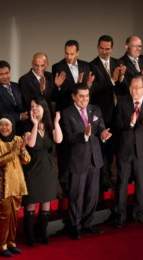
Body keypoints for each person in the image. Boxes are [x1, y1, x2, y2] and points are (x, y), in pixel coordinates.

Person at [60, 83, 112, 240]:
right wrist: (84, 135)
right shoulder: (66, 113)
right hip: (77, 159)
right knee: (76, 195)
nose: (85, 99)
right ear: (73, 96)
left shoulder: (95, 109)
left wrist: (103, 134)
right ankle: (75, 226)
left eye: (87, 95)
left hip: (94, 159)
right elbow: (68, 137)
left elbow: (101, 127)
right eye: (81, 96)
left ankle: (88, 223)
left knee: (92, 194)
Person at [114, 74, 143, 228]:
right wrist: (130, 123)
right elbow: (117, 123)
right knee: (122, 183)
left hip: (142, 149)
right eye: (131, 86)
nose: (133, 90)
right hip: (125, 148)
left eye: (137, 87)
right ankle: (120, 215)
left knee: (140, 183)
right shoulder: (122, 101)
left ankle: (139, 213)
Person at [52, 40, 94, 196]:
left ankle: (84, 181)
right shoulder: (58, 67)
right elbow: (57, 96)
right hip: (66, 113)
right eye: (66, 53)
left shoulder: (85, 65)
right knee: (64, 150)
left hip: (83, 113)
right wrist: (63, 86)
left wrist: (87, 86)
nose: (68, 57)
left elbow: (87, 92)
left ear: (78, 53)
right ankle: (64, 185)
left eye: (71, 53)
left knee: (82, 145)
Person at [22, 96, 62, 246]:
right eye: (32, 106)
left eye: (36, 106)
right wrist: (34, 124)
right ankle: (30, 235)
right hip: (32, 168)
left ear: (44, 107)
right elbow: (31, 143)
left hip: (48, 168)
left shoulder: (51, 125)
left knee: (46, 200)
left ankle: (43, 232)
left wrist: (56, 123)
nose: (34, 108)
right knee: (31, 201)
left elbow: (58, 140)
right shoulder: (26, 125)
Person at [89, 35, 127, 191]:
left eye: (107, 48)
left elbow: (124, 90)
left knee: (114, 148)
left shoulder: (118, 63)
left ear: (112, 48)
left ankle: (111, 176)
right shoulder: (92, 66)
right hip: (102, 114)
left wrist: (122, 78)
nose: (104, 51)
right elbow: (94, 91)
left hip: (118, 113)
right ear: (98, 47)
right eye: (102, 48)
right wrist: (112, 80)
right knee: (102, 149)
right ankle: (103, 179)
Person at [0, 115, 31, 257]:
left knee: (14, 216)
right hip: (2, 185)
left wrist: (22, 149)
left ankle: (11, 243)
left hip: (17, 184)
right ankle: (1, 245)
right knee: (3, 217)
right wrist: (12, 152)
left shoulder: (18, 139)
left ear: (12, 126)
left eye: (7, 125)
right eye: (1, 125)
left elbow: (26, 160)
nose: (4, 128)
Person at [0, 60, 28, 137]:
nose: (5, 76)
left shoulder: (16, 86)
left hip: (19, 129)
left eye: (7, 73)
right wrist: (20, 116)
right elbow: (0, 113)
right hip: (3, 131)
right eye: (1, 74)